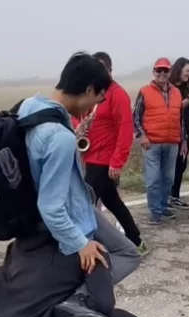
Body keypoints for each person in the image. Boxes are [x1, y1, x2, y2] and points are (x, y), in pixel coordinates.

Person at [14, 52, 141, 317]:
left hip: (81, 203)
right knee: (120, 270)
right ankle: (76, 299)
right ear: (88, 89)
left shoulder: (32, 105)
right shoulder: (58, 137)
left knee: (129, 251)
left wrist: (72, 135)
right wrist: (80, 244)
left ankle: (77, 300)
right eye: (97, 98)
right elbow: (51, 206)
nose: (95, 105)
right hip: (73, 214)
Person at [70, 51, 149, 256]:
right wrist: (80, 126)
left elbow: (125, 130)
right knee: (113, 202)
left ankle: (83, 247)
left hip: (104, 161)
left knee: (84, 203)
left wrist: (117, 162)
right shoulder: (92, 92)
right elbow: (77, 115)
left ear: (108, 70)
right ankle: (136, 241)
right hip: (90, 155)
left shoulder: (118, 94)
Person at [132, 57, 188, 225]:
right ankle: (155, 212)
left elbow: (180, 119)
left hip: (172, 142)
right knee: (153, 179)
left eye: (165, 70)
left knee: (168, 178)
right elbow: (136, 117)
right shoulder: (144, 91)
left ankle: (163, 207)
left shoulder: (176, 92)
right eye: (159, 70)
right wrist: (141, 136)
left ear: (170, 72)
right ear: (154, 72)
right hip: (152, 143)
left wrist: (183, 140)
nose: (162, 73)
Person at [167, 57, 189, 209]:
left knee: (182, 163)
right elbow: (176, 107)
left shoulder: (187, 88)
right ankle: (167, 197)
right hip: (172, 130)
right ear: (179, 69)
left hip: (185, 130)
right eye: (187, 70)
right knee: (171, 164)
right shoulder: (170, 88)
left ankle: (174, 196)